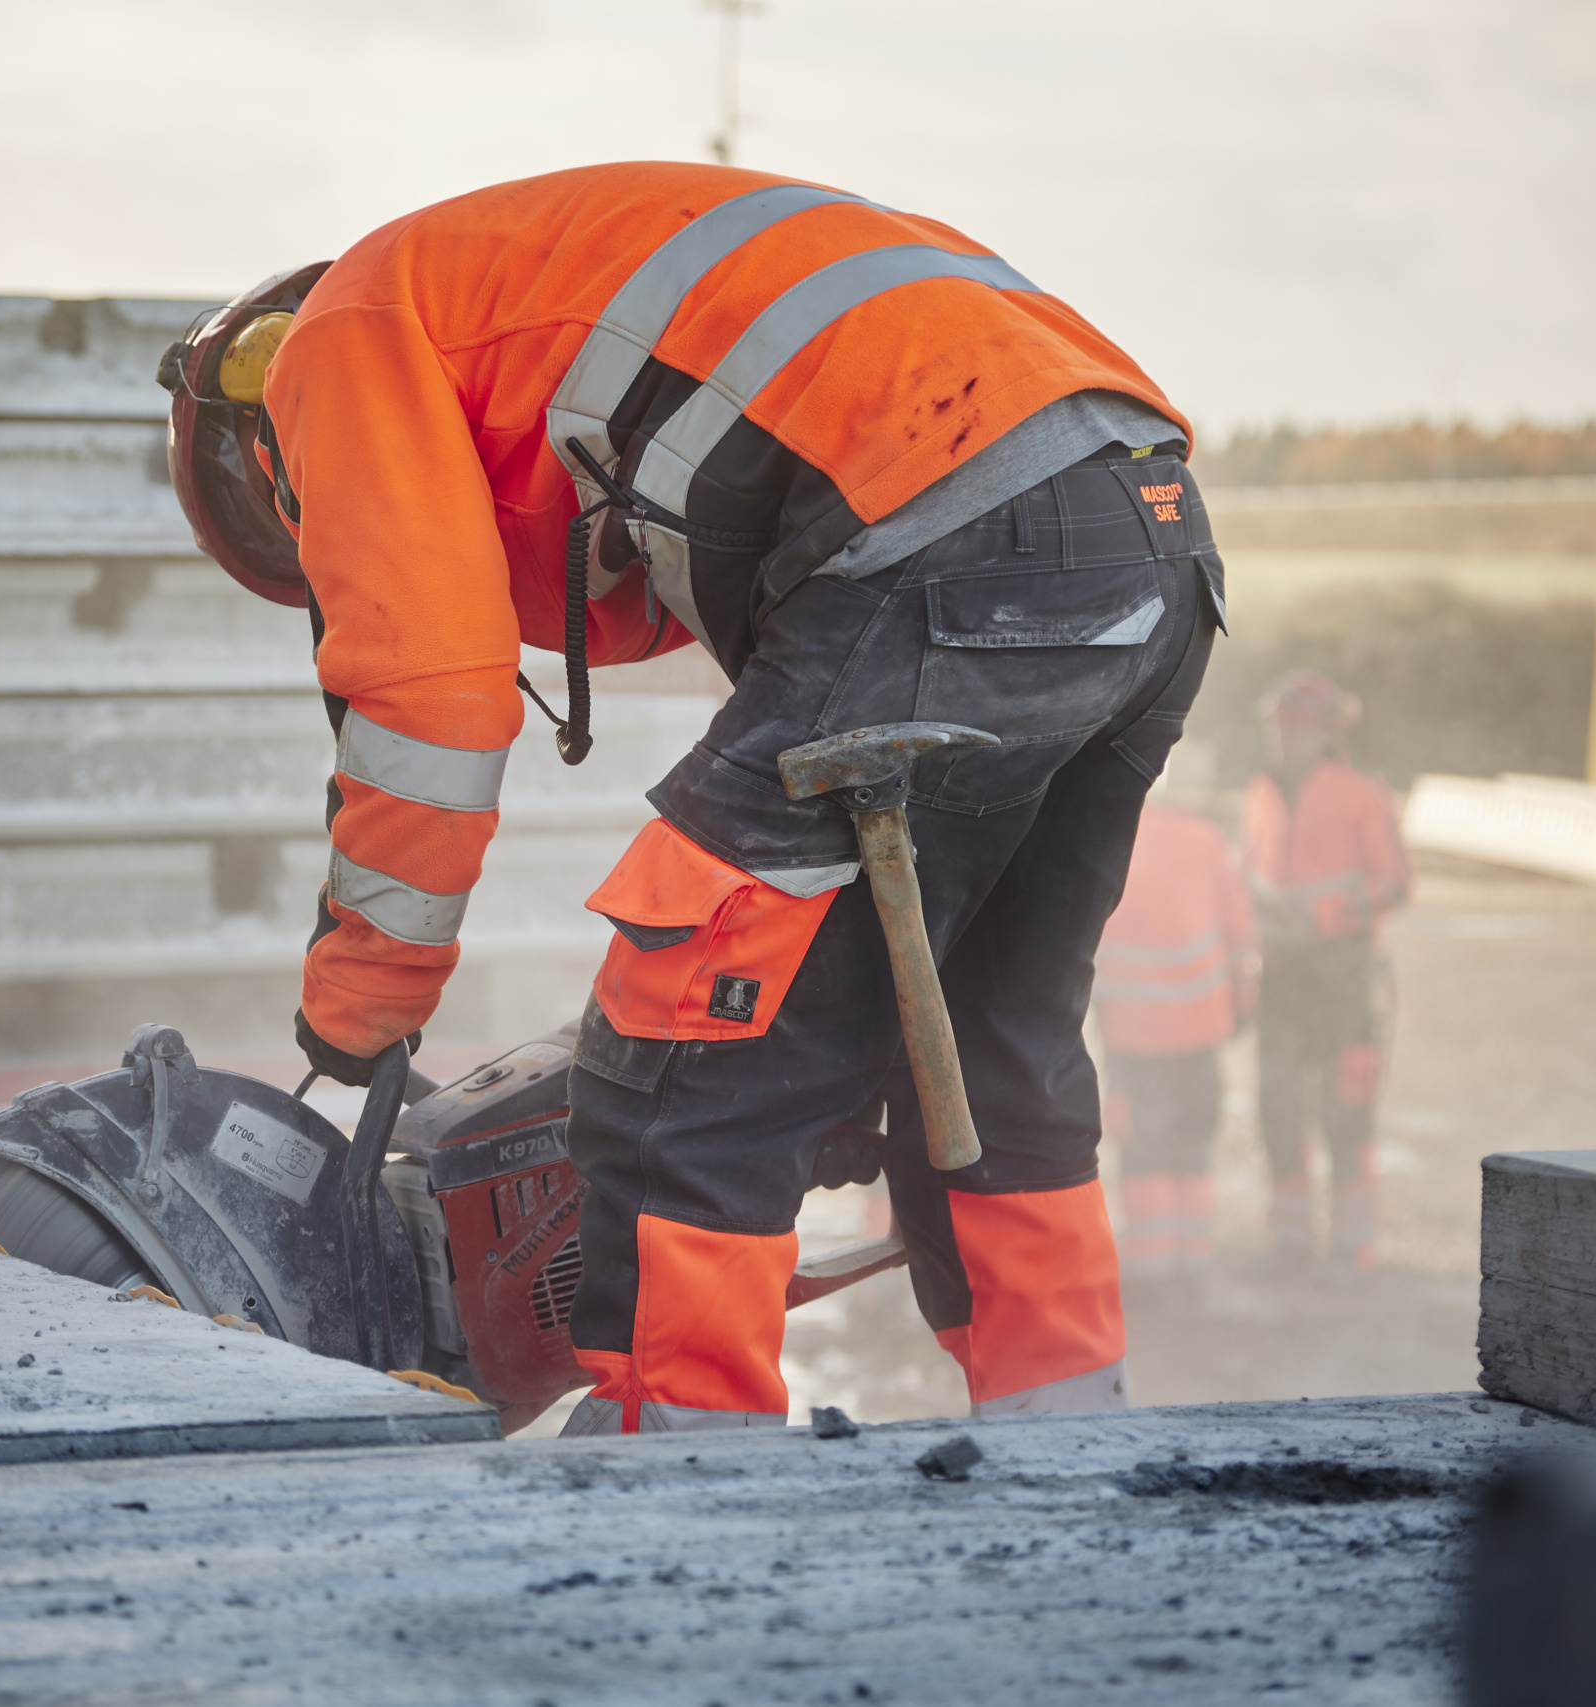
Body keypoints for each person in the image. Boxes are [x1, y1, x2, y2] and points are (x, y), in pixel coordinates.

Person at [160, 162, 1223, 1432]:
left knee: (687, 1040)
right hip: (1146, 522)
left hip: (942, 514)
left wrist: (361, 1008)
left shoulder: (338, 341)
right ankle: (1066, 1437)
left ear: (266, 451)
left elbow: (428, 701)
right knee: (991, 1027)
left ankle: (690, 1485)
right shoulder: (563, 299)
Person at [1242, 671, 1410, 1268]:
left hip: (1340, 973)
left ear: (1323, 732)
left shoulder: (1360, 793)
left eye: (1291, 726)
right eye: (1276, 727)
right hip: (1282, 972)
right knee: (1279, 1108)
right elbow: (1252, 876)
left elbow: (1393, 883)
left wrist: (1324, 915)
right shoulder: (1261, 792)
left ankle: (1351, 1241)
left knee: (1346, 1108)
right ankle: (1289, 1240)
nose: (1280, 738)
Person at [1095, 784, 1257, 1283]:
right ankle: (1195, 1259)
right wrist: (1240, 1010)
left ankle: (1152, 1263)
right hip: (1201, 1031)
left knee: (1143, 1145)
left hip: (1134, 1035)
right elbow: (1241, 933)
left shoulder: (1104, 844)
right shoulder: (1203, 839)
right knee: (1192, 1144)